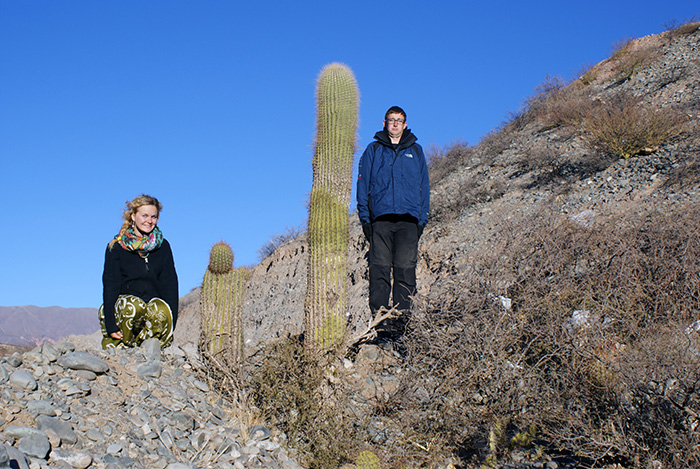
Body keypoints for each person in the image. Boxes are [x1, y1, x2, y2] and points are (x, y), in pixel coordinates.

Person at [356, 106, 430, 341]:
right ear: (384, 123)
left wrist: (421, 220)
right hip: (381, 220)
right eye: (391, 120)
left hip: (409, 221)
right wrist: (366, 220)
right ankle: (381, 324)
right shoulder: (373, 150)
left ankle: (403, 325)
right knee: (379, 271)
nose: (395, 124)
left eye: (399, 120)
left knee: (405, 272)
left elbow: (424, 187)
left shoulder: (416, 151)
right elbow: (362, 185)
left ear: (405, 124)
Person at [99, 194, 179, 349]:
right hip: (127, 309)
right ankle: (121, 347)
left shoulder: (163, 247)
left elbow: (170, 284)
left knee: (161, 308)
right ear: (133, 216)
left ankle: (149, 350)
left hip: (150, 309)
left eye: (153, 217)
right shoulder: (116, 247)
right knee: (134, 306)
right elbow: (110, 285)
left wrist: (171, 319)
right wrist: (111, 323)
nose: (149, 221)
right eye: (144, 215)